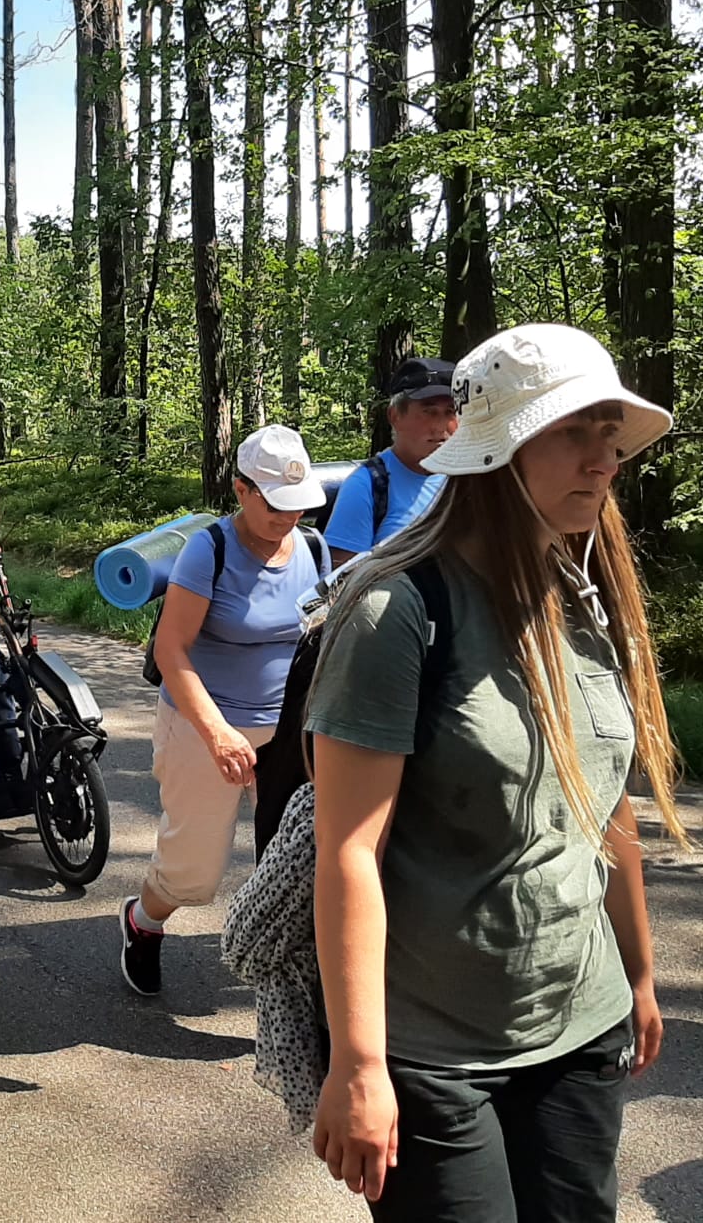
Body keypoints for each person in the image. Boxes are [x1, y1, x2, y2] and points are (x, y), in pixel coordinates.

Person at [306, 324, 688, 1220]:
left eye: (610, 435)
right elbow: (349, 853)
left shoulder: (586, 595)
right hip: (434, 1052)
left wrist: (638, 974)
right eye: (573, 431)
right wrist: (359, 1064)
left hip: (582, 1026)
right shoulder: (396, 611)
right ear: (498, 450)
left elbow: (606, 804)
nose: (603, 459)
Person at [118, 425, 327, 997]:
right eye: (275, 505)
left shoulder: (313, 548)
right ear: (241, 489)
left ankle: (285, 975)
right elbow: (171, 650)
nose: (288, 517)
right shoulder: (208, 550)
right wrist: (217, 734)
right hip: (203, 723)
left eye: (298, 504)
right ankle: (144, 919)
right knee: (193, 872)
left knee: (292, 859)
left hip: (287, 730)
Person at [325, 358, 458, 568]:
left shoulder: (469, 480)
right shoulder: (367, 486)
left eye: (450, 412)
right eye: (429, 412)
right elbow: (342, 579)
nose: (440, 426)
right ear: (395, 416)